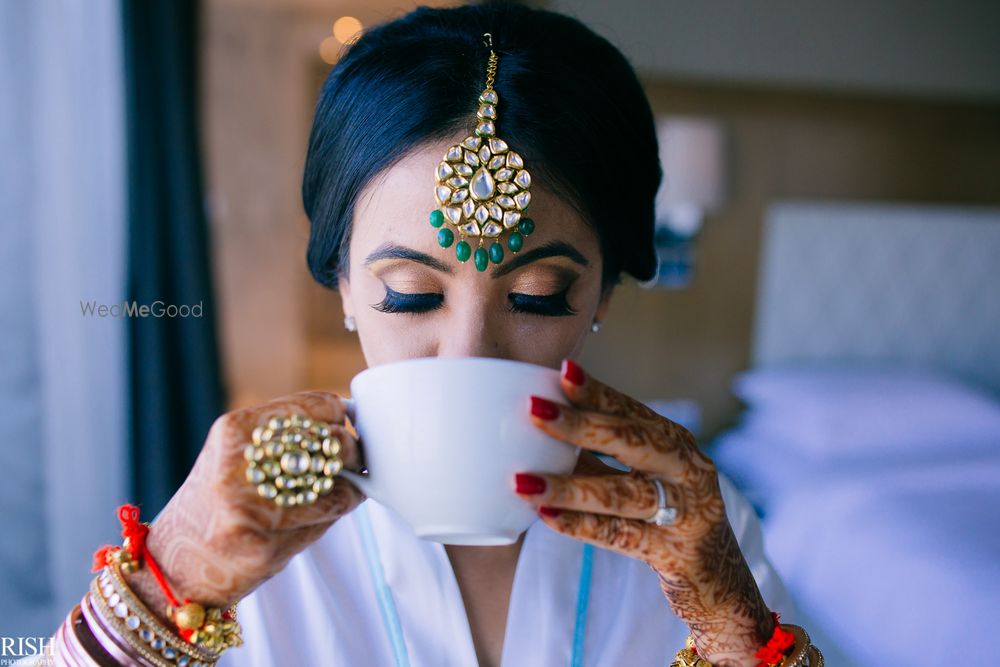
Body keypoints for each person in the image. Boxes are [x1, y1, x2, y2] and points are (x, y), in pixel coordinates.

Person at [37, 4, 825, 666]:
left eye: (538, 295)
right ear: (345, 285)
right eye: (410, 294)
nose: (468, 352)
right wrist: (162, 578)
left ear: (602, 296)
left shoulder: (691, 532)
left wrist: (733, 627)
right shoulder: (246, 536)